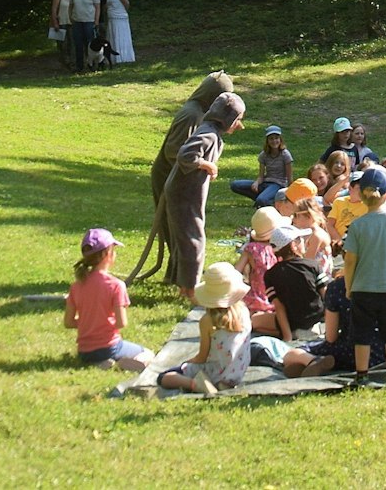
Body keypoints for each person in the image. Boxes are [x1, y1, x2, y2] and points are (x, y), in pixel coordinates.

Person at [167, 92, 246, 302]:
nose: (240, 126)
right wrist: (207, 164)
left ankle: (183, 285)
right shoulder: (209, 133)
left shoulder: (211, 132)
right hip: (184, 195)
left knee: (186, 238)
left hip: (186, 192)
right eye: (238, 120)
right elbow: (186, 155)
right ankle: (190, 290)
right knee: (194, 240)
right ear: (227, 119)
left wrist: (206, 169)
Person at [341, 166, 386, 389]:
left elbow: (350, 260)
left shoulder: (358, 225)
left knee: (362, 333)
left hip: (362, 288)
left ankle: (361, 376)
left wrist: (348, 286)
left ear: (360, 195)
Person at [63, 228, 153, 372]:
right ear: (108, 255)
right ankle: (126, 363)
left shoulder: (76, 286)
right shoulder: (116, 285)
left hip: (84, 352)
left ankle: (99, 363)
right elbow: (121, 322)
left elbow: (68, 322)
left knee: (96, 356)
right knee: (148, 353)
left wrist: (88, 323)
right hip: (109, 347)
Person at [157, 262, 251, 395]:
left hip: (215, 372)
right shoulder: (244, 311)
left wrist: (187, 362)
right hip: (237, 372)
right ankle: (222, 384)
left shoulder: (208, 321)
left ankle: (196, 384)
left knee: (164, 377)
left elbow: (202, 357)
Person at [227, 125, 293, 207]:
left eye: (276, 138)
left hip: (278, 185)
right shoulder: (264, 154)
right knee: (235, 185)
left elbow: (289, 177)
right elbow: (261, 176)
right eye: (271, 138)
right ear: (267, 141)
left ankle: (266, 201)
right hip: (266, 183)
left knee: (261, 200)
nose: (274, 141)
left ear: (280, 140)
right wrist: (256, 183)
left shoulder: (285, 155)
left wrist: (289, 195)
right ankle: (262, 199)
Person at [65, 0, 100, 73]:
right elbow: (71, 6)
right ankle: (79, 66)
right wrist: (70, 17)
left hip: (89, 21)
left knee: (90, 44)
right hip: (77, 22)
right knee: (78, 44)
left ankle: (91, 64)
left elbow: (97, 7)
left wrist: (96, 20)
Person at [103, 0, 135, 64]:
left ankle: (123, 56)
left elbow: (126, 3)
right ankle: (113, 58)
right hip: (112, 19)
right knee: (113, 36)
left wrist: (122, 12)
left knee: (120, 36)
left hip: (119, 18)